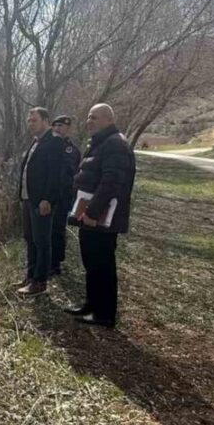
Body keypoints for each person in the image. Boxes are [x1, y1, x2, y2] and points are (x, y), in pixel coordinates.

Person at [64, 104, 136, 327]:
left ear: (108, 119)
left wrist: (92, 212)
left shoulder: (115, 144)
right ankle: (91, 305)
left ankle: (104, 314)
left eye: (93, 117)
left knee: (102, 264)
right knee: (91, 262)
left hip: (102, 218)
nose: (89, 121)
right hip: (89, 216)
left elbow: (111, 182)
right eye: (88, 117)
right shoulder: (100, 143)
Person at [15, 107, 66, 296]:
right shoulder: (36, 142)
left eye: (34, 120)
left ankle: (40, 281)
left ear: (46, 120)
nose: (30, 124)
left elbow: (55, 175)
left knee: (42, 241)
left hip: (41, 201)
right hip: (28, 199)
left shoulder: (54, 142)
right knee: (30, 239)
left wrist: (47, 199)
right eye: (29, 120)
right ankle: (30, 275)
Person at [50, 115, 81, 277]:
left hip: (62, 197)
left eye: (61, 126)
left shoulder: (71, 149)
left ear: (68, 129)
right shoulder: (46, 145)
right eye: (55, 125)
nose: (57, 128)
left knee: (57, 230)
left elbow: (72, 175)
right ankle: (47, 261)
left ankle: (55, 264)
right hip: (47, 196)